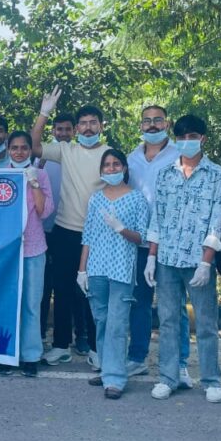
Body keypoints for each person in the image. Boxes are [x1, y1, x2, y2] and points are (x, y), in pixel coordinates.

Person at [145, 114, 221, 403]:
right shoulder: (166, 173)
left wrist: (207, 260)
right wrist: (151, 257)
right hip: (167, 258)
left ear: (202, 138)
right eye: (181, 137)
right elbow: (158, 216)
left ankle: (211, 379)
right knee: (168, 320)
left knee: (206, 323)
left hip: (198, 259)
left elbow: (217, 220)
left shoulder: (217, 175)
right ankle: (169, 376)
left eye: (192, 137)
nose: (186, 142)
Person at [31, 89, 107, 365]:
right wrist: (44, 112)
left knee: (94, 291)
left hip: (99, 236)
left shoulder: (111, 155)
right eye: (83, 123)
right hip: (65, 230)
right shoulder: (66, 150)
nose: (88, 127)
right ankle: (61, 344)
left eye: (93, 122)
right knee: (62, 290)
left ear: (101, 126)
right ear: (76, 129)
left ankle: (98, 349)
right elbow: (34, 144)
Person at [78, 150, 149, 399]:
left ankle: (116, 379)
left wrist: (122, 229)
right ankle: (107, 368)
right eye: (106, 165)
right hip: (96, 268)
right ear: (101, 170)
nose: (111, 168)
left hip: (121, 269)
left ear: (125, 168)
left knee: (118, 323)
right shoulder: (95, 199)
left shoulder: (137, 199)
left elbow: (142, 237)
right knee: (102, 320)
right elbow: (87, 236)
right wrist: (82, 269)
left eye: (115, 164)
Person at [126, 105, 187, 381]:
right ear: (140, 125)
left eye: (157, 120)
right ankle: (137, 357)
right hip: (139, 242)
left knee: (173, 306)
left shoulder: (180, 155)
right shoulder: (130, 159)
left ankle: (180, 362)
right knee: (139, 303)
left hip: (170, 242)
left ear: (167, 123)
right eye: (147, 121)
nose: (152, 125)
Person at [8, 131, 54, 377]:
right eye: (14, 148)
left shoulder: (41, 174)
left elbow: (44, 211)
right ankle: (5, 353)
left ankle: (30, 355)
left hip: (34, 248)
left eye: (24, 148)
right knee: (6, 302)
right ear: (8, 150)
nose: (19, 152)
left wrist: (34, 183)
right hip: (5, 252)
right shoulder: (1, 174)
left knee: (31, 304)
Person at [38, 114, 72, 345]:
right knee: (41, 286)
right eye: (59, 129)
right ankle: (38, 334)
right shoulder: (41, 159)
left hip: (66, 227)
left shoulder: (78, 155)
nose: (63, 133)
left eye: (67, 130)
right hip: (40, 230)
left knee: (66, 286)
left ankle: (72, 338)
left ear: (74, 132)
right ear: (53, 132)